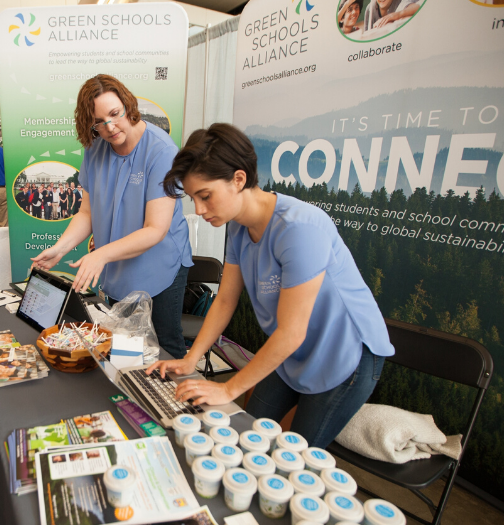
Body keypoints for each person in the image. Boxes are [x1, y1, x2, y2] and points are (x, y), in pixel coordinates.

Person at [146, 124, 394, 448]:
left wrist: (228, 388)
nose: (199, 210)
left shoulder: (299, 228)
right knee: (245, 431)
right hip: (293, 349)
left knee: (295, 454)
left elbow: (292, 332)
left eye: (205, 196)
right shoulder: (237, 227)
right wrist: (192, 358)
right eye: (194, 198)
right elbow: (224, 302)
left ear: (238, 179)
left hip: (344, 354)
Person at [32, 74, 193, 359]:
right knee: (125, 346)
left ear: (128, 105)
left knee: (164, 348)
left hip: (160, 266)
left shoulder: (161, 150)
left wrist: (101, 255)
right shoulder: (95, 151)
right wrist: (61, 247)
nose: (110, 127)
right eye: (99, 122)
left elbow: (155, 229)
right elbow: (87, 213)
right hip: (117, 265)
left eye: (115, 114)